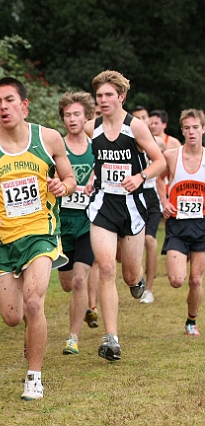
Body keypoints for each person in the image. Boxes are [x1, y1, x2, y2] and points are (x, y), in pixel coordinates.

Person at [0, 77, 76, 400]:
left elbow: (68, 177)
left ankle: (34, 376)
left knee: (33, 301)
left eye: (10, 100)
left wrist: (63, 187)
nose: (3, 107)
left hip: (40, 232)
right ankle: (32, 331)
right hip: (4, 240)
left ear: (24, 105)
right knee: (14, 317)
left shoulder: (48, 138)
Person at [84, 70, 166, 362]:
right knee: (106, 268)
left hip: (132, 205)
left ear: (121, 97)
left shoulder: (137, 128)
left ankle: (138, 282)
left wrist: (140, 176)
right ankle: (111, 339)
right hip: (103, 204)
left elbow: (160, 161)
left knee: (130, 273)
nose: (103, 100)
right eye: (99, 96)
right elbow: (92, 159)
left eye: (108, 95)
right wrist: (93, 176)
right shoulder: (90, 128)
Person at [57, 91, 97, 354]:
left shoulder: (98, 146)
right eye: (67, 115)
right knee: (68, 283)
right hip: (61, 224)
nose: (72, 119)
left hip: (89, 222)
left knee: (80, 281)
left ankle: (73, 337)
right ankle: (83, 307)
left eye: (77, 114)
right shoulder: (55, 147)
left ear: (87, 117)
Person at [160, 108, 205, 337]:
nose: (191, 132)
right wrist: (164, 201)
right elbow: (159, 178)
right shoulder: (171, 155)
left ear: (203, 129)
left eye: (196, 127)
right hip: (177, 225)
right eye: (187, 128)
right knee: (177, 281)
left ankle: (191, 321)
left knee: (196, 281)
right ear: (182, 130)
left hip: (202, 227)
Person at [132, 105, 166, 304]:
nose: (142, 121)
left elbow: (168, 159)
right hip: (132, 195)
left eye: (144, 117)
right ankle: (138, 278)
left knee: (150, 241)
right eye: (137, 118)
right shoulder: (126, 141)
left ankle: (149, 289)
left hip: (151, 195)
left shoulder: (158, 143)